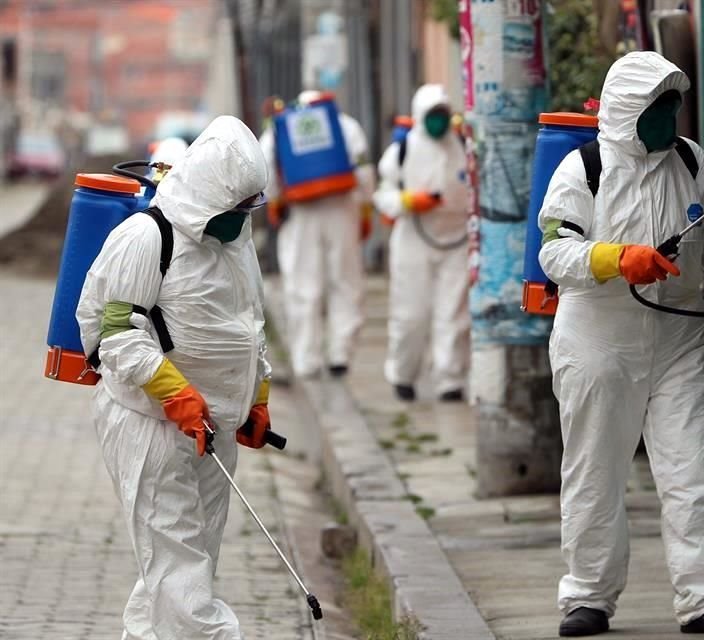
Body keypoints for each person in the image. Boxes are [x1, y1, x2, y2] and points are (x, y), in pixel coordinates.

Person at [538, 51, 704, 637]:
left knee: (693, 467)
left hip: (681, 336)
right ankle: (587, 597)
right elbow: (553, 253)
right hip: (598, 339)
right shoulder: (582, 170)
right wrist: (618, 258)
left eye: (673, 104)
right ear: (626, 111)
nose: (669, 116)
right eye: (657, 106)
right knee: (596, 470)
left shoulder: (691, 161)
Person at [77, 115, 273, 640]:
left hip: (213, 429)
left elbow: (250, 326)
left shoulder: (236, 244)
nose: (243, 216)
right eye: (236, 207)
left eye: (251, 205)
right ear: (207, 193)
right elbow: (115, 333)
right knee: (179, 572)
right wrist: (175, 393)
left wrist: (258, 397)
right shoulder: (146, 237)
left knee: (185, 567)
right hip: (149, 427)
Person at [261, 90, 375, 379]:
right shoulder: (346, 125)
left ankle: (305, 360)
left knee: (302, 287)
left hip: (300, 215)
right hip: (342, 208)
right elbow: (364, 173)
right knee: (345, 283)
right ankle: (340, 355)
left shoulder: (279, 129)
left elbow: (265, 176)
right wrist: (364, 208)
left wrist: (276, 202)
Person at [373, 84, 470, 402]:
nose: (438, 122)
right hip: (414, 239)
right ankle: (403, 375)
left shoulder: (464, 146)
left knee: (453, 316)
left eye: (442, 115)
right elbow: (383, 196)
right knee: (410, 314)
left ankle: (449, 380)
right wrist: (408, 201)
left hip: (456, 241)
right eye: (432, 116)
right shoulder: (402, 151)